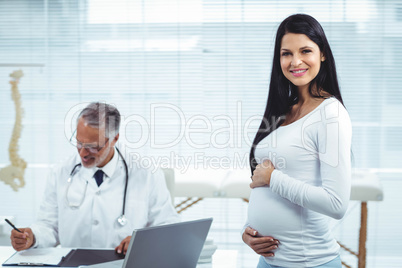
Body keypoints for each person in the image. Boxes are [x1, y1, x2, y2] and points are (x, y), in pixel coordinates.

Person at [242, 14, 352, 268]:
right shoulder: (285, 110)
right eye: (286, 53)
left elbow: (337, 204)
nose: (295, 61)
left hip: (309, 262)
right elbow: (267, 189)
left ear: (322, 53)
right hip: (270, 261)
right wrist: (248, 230)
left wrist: (273, 178)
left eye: (305, 51)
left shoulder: (330, 114)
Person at [10, 102, 180, 254]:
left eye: (92, 147)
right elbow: (49, 226)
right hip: (73, 265)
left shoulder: (146, 174)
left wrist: (143, 242)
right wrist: (32, 236)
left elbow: (167, 227)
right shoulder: (61, 172)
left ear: (114, 139)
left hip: (123, 264)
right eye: (78, 143)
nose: (83, 153)